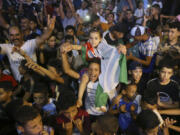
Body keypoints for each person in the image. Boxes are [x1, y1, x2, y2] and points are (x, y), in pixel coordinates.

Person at [0, 15, 56, 82]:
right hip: (21, 85)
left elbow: (42, 38)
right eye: (11, 35)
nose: (14, 38)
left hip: (35, 81)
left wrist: (49, 30)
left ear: (22, 34)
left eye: (17, 35)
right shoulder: (7, 47)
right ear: (9, 36)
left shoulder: (30, 44)